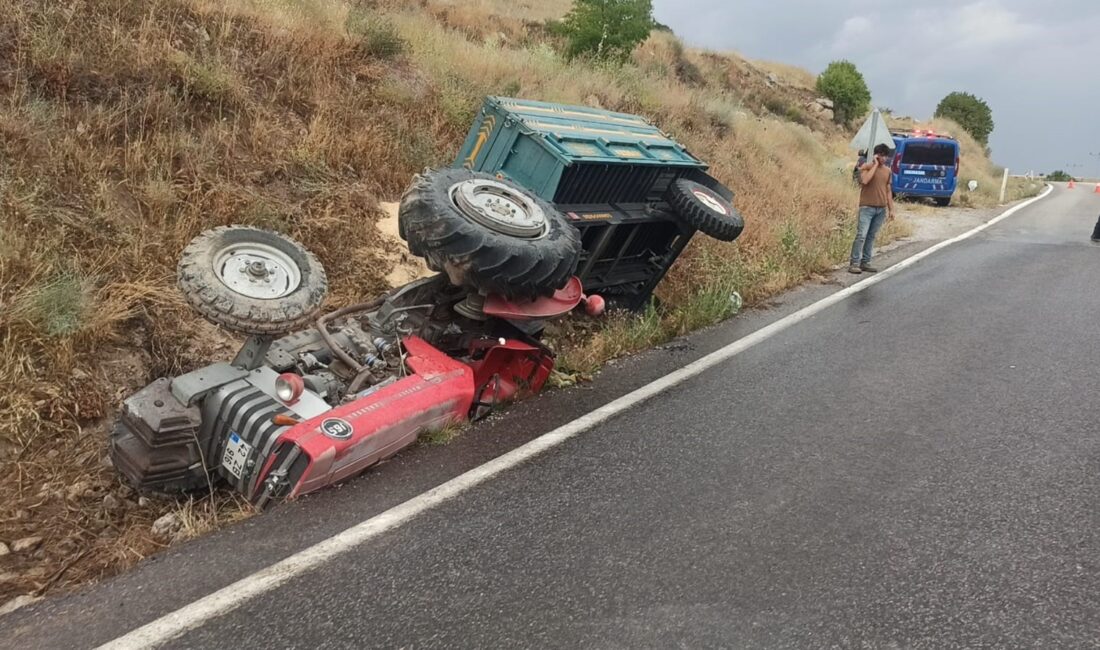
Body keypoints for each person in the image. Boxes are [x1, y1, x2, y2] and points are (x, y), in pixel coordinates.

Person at [849, 143, 896, 274]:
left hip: (880, 209)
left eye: (885, 156)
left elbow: (888, 191)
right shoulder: (866, 167)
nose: (884, 159)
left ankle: (866, 262)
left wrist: (891, 209)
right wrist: (874, 165)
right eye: (881, 156)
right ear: (876, 155)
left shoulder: (887, 171)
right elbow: (865, 181)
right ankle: (854, 263)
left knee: (871, 236)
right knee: (861, 235)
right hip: (867, 207)